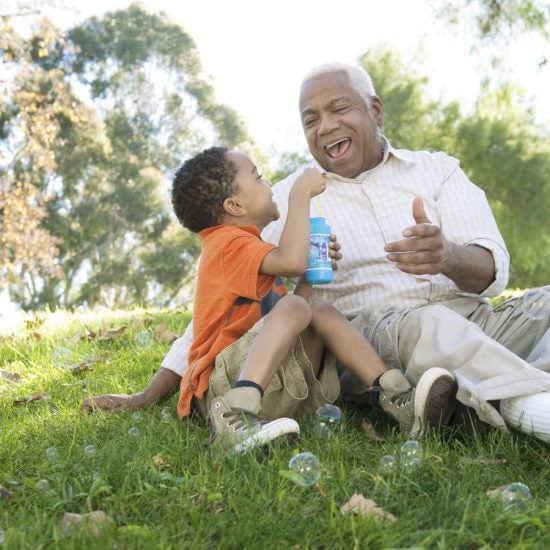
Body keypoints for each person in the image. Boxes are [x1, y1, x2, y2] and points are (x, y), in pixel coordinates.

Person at [83, 62, 550, 443]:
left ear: (376, 111)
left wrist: (447, 256)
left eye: (338, 109)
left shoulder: (438, 171)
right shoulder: (285, 201)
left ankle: (486, 389)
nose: (325, 126)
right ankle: (531, 409)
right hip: (378, 338)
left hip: (475, 318)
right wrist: (151, 392)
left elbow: (493, 269)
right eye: (310, 119)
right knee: (430, 323)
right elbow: (218, 307)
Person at [168, 146, 455, 452]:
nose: (268, 185)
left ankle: (397, 395)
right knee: (296, 306)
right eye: (259, 178)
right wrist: (299, 195)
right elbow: (291, 262)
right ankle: (235, 413)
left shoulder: (250, 250)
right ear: (236, 205)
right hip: (219, 391)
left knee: (319, 311)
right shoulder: (225, 243)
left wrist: (308, 278)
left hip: (266, 383)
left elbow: (295, 311)